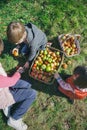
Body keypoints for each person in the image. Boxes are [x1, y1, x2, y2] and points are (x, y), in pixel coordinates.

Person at [0, 38, 37, 130]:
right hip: (3, 95)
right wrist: (18, 72)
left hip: (4, 85)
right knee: (32, 94)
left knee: (27, 85)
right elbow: (11, 81)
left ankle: (11, 102)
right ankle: (14, 119)